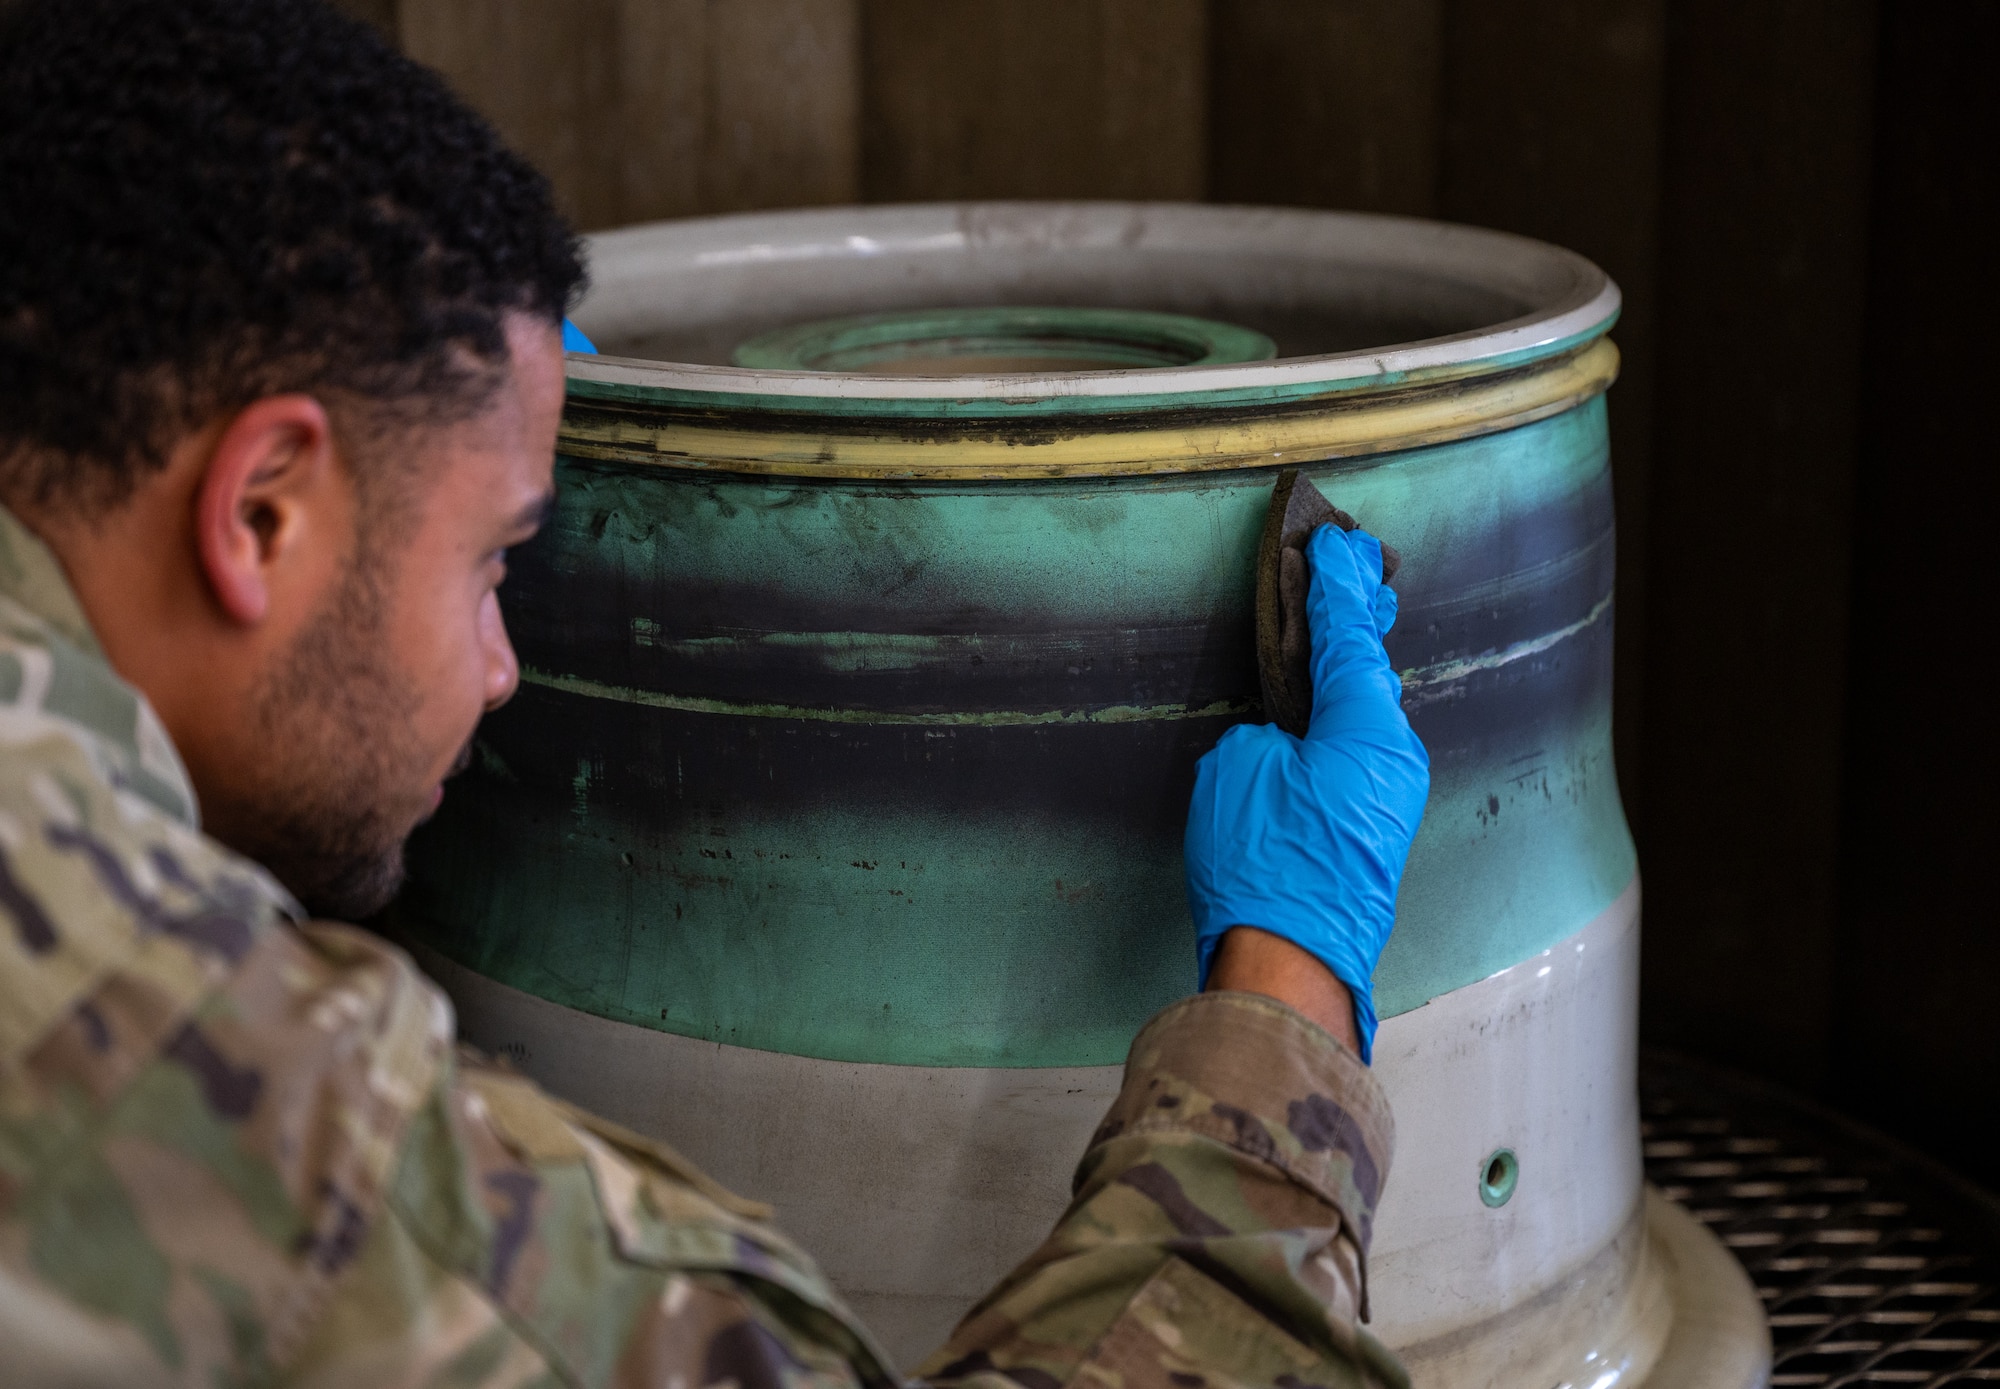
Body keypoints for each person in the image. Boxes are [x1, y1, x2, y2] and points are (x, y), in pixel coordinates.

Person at [0, 1, 1431, 1384]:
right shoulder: (186, 1064)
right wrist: (1284, 1012)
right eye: (499, 560)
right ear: (260, 510)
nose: (501, 672)